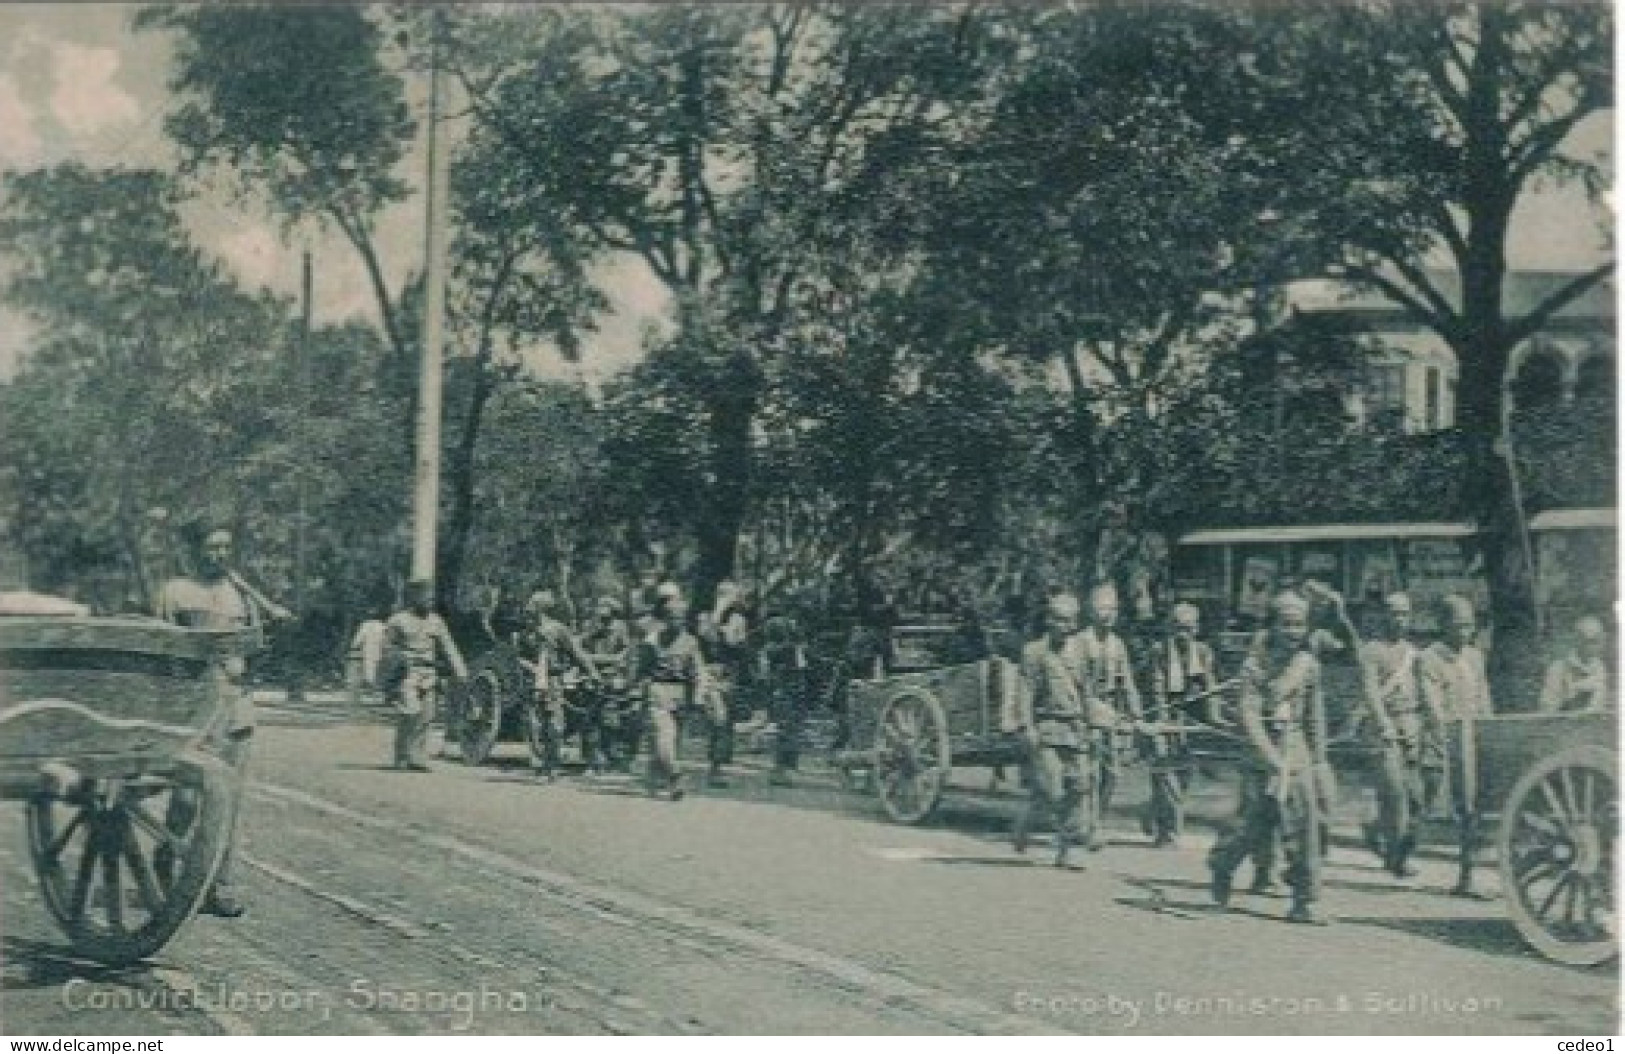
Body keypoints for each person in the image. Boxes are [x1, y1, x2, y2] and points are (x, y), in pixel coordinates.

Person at [155, 525, 292, 918]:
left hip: (236, 705)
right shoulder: (176, 591)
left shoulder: (241, 594)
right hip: (193, 705)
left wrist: (271, 631)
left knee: (229, 800)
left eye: (225, 546)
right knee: (185, 797)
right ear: (194, 549)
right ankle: (168, 867)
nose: (219, 554)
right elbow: (162, 647)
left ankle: (219, 886)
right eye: (211, 546)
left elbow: (258, 653)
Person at [1208, 591, 1330, 925]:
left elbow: (1314, 717)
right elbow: (1248, 716)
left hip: (1298, 753)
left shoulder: (1309, 666)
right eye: (1286, 624)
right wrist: (1271, 757)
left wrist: (1319, 761)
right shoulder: (1254, 667)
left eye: (1300, 625)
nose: (1293, 632)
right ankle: (1222, 865)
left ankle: (1303, 899)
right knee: (1251, 827)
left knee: (1305, 825)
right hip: (1261, 756)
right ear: (1272, 627)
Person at [1004, 593, 1123, 868]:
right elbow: (1025, 692)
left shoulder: (1079, 650)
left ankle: (1066, 849)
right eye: (1059, 619)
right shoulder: (1034, 652)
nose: (1065, 626)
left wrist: (1094, 722)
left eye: (1070, 620)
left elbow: (1086, 690)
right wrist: (1027, 726)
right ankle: (1023, 826)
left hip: (1075, 726)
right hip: (1046, 727)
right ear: (1048, 620)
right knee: (1052, 789)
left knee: (1079, 786)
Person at [1418, 594, 1495, 897]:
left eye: (1469, 626)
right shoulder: (1429, 659)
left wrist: (1490, 727)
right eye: (1458, 626)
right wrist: (1447, 733)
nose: (1465, 632)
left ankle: (1467, 874)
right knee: (1457, 809)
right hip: (1446, 742)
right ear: (1443, 625)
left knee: (1474, 810)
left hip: (1476, 739)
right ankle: (1464, 875)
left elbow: (1483, 696)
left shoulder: (1475, 657)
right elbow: (1432, 705)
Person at [1071, 583, 1142, 849]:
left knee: (1112, 773)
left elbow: (1128, 683)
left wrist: (1135, 713)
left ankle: (1096, 820)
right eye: (1102, 608)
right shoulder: (1079, 642)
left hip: (1111, 712)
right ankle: (1088, 826)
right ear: (1091, 611)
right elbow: (1076, 685)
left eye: (1112, 608)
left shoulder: (1117, 644)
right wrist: (1092, 711)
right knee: (1089, 773)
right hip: (1084, 711)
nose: (1108, 614)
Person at [1142, 602, 1216, 847]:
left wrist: (1215, 717)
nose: (1182, 634)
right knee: (1165, 773)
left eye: (1187, 628)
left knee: (1184, 774)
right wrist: (1161, 723)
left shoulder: (1204, 652)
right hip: (1161, 716)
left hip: (1190, 720)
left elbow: (1210, 687)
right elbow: (1155, 688)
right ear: (1169, 629)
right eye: (1177, 628)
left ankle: (1153, 812)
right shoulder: (1158, 651)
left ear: (1196, 629)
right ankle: (1171, 831)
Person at [382, 579, 468, 772]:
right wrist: (397, 663)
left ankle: (417, 757)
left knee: (427, 716)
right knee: (410, 712)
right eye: (425, 597)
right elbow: (387, 647)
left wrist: (460, 670)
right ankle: (401, 756)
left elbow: (449, 647)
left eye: (431, 598)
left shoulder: (436, 621)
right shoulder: (398, 620)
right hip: (407, 673)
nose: (429, 601)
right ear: (414, 597)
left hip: (429, 673)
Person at [632, 587, 706, 800]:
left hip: (682, 694)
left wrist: (699, 697)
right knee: (664, 735)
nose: (677, 622)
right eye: (672, 617)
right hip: (658, 690)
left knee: (671, 741)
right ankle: (675, 776)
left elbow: (698, 671)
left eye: (680, 618)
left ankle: (654, 780)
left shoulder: (690, 642)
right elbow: (641, 668)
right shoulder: (652, 640)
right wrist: (635, 687)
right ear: (664, 618)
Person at [520, 590, 601, 779]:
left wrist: (593, 673)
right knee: (535, 724)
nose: (528, 613)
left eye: (532, 609)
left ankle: (552, 765)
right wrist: (529, 666)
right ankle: (543, 762)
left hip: (553, 681)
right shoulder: (526, 634)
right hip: (532, 682)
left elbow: (577, 653)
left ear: (541, 610)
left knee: (554, 724)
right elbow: (519, 657)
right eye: (529, 610)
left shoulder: (558, 629)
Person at [696, 580, 750, 788]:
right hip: (709, 672)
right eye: (723, 593)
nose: (727, 597)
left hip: (730, 675)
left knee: (725, 721)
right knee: (718, 718)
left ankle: (717, 764)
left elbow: (736, 643)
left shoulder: (739, 619)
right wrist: (718, 616)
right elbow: (707, 638)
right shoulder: (705, 617)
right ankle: (714, 769)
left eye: (730, 594)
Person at [759, 611, 811, 787]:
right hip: (790, 690)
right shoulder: (788, 648)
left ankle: (784, 767)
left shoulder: (773, 649)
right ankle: (785, 767)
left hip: (785, 690)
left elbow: (766, 674)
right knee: (790, 729)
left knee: (788, 729)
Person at [1538, 615, 1610, 713]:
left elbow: (1601, 705)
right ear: (1578, 640)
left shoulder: (1600, 668)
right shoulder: (1558, 669)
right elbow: (1545, 710)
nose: (1598, 646)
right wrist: (1574, 693)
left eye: (1600, 640)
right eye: (1592, 641)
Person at [347, 606, 389, 708]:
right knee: (377, 674)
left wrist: (354, 649)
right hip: (379, 654)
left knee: (367, 673)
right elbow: (386, 643)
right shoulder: (383, 626)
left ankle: (364, 697)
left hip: (368, 653)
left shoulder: (365, 626)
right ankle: (379, 696)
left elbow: (356, 642)